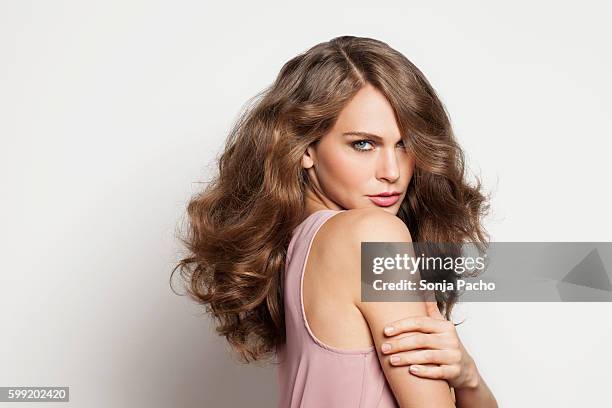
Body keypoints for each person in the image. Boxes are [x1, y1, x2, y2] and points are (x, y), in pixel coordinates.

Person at [173, 35, 498, 407]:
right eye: (363, 144)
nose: (392, 171)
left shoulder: (295, 250)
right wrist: (470, 385)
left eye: (405, 144)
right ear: (306, 147)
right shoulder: (370, 233)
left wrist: (468, 376)